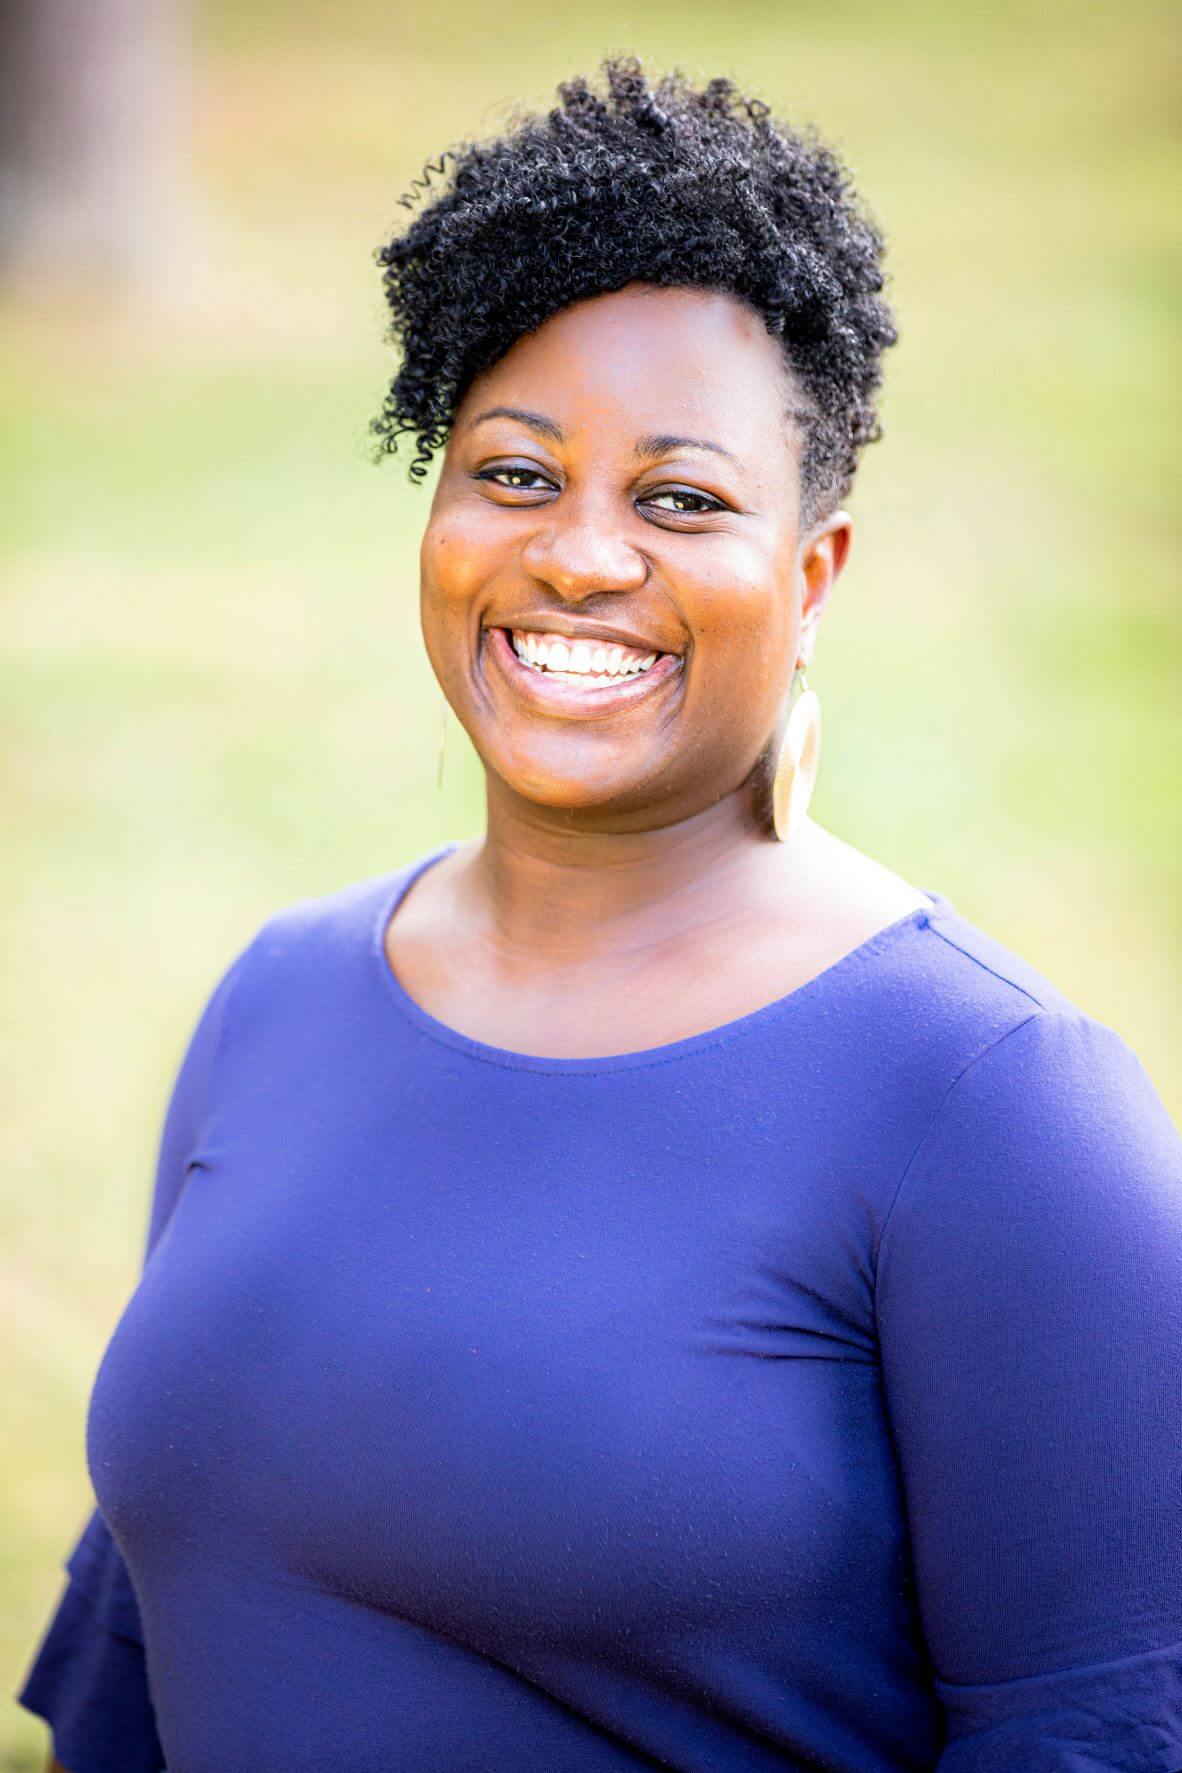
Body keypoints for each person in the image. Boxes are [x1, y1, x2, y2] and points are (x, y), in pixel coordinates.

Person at [17, 54, 1182, 1773]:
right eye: (512, 472)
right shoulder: (278, 997)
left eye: (680, 498)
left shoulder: (992, 1106)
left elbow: (1100, 1732)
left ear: (810, 575)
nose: (576, 555)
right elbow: (148, 1645)